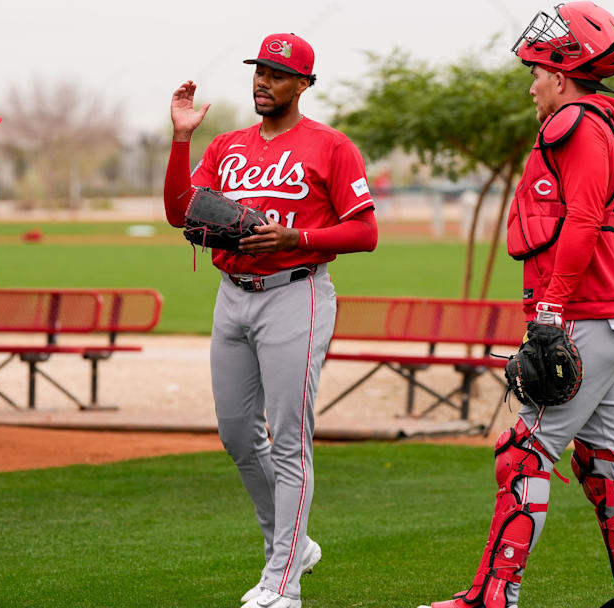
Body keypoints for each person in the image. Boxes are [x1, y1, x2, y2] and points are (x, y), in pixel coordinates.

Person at [418, 4, 614, 608]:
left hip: (583, 315)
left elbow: (582, 218)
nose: (532, 86)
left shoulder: (576, 121)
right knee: (606, 462)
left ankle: (493, 596)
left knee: (524, 453)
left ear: (562, 75)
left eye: (536, 73)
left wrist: (554, 308)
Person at [163, 33, 378, 608]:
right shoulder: (229, 145)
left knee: (290, 440)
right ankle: (294, 544)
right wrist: (182, 141)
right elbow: (178, 211)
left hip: (296, 293)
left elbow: (365, 231)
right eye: (260, 70)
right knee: (236, 432)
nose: (264, 81)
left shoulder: (331, 147)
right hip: (232, 294)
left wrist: (297, 237)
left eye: (279, 74)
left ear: (304, 84)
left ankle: (283, 580)